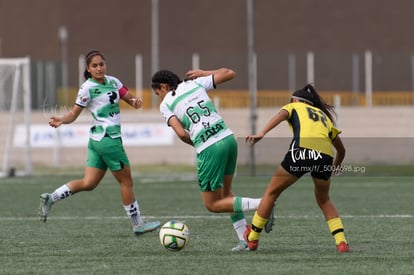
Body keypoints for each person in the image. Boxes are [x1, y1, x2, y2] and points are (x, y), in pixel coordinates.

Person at [39, 50, 160, 235]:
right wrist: (62, 120)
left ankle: (51, 198)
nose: (99, 68)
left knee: (89, 183)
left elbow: (129, 98)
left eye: (101, 64)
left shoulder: (114, 81)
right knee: (126, 182)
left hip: (97, 141)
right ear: (88, 69)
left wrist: (135, 102)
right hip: (108, 140)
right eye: (94, 66)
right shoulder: (87, 88)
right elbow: (74, 113)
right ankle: (138, 224)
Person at [151, 68, 270, 251]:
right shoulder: (195, 82)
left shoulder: (165, 104)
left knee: (212, 204)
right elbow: (230, 72)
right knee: (226, 195)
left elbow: (182, 134)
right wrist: (203, 72)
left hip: (210, 147)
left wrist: (200, 145)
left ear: (164, 87)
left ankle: (262, 204)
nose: (159, 96)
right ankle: (245, 240)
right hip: (228, 138)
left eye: (157, 93)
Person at [243, 84, 350, 253]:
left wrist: (261, 133)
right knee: (324, 200)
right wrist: (334, 168)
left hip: (301, 152)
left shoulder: (293, 106)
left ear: (295, 100)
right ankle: (341, 242)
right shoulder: (324, 117)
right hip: (325, 157)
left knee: (271, 193)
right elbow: (342, 150)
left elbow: (281, 115)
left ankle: (252, 238)